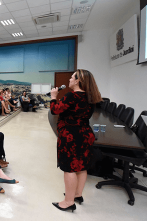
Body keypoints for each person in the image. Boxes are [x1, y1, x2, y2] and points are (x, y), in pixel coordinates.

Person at [50, 69, 102, 212]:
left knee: (69, 168)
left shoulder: (71, 96)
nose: (69, 80)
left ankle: (68, 202)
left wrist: (54, 97)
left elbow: (55, 110)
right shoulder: (91, 97)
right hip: (85, 134)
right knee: (81, 166)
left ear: (78, 80)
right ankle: (77, 195)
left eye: (72, 77)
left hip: (70, 136)